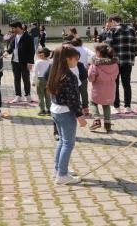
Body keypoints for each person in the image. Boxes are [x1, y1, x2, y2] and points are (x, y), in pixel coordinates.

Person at [47, 45, 87, 185]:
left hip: (55, 110)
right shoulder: (69, 76)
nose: (77, 61)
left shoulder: (54, 71)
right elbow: (73, 98)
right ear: (67, 59)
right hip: (66, 113)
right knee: (68, 143)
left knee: (63, 141)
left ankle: (58, 170)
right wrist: (79, 115)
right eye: (76, 58)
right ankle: (62, 175)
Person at [104, 14, 137, 114]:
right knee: (127, 84)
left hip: (115, 61)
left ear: (113, 21)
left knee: (115, 84)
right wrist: (132, 57)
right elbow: (135, 46)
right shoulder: (131, 29)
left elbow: (108, 47)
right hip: (128, 60)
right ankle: (128, 106)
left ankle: (116, 106)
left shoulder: (113, 30)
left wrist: (107, 59)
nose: (110, 25)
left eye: (111, 23)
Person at [87, 43, 119, 132]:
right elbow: (116, 74)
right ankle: (107, 124)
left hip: (98, 89)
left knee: (92, 102)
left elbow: (90, 78)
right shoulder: (114, 64)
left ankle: (96, 119)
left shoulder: (95, 65)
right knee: (106, 104)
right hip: (110, 88)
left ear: (98, 53)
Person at [4, 21, 36, 103]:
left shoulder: (28, 37)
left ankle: (28, 95)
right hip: (15, 61)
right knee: (16, 79)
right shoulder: (15, 36)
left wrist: (30, 63)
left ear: (18, 27)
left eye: (13, 28)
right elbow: (12, 46)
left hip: (24, 62)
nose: (12, 30)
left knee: (26, 78)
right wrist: (7, 52)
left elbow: (31, 51)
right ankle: (18, 95)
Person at [70, 38, 95, 116]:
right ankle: (86, 108)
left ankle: (76, 107)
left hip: (72, 70)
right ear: (81, 43)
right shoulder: (85, 49)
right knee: (83, 90)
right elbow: (94, 55)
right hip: (83, 70)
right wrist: (89, 64)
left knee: (74, 90)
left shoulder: (71, 50)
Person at [32, 48, 52, 116]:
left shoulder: (38, 62)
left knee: (40, 95)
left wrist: (33, 81)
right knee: (48, 95)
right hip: (49, 80)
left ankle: (42, 109)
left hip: (40, 79)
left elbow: (35, 72)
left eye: (38, 54)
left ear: (42, 55)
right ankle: (49, 109)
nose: (37, 55)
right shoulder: (51, 62)